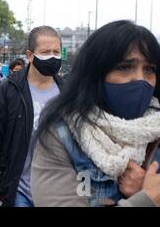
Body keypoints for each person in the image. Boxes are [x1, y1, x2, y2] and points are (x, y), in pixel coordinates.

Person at [31, 20, 160, 207]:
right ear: (96, 75)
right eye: (125, 67)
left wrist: (143, 189)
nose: (140, 79)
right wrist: (146, 200)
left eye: (149, 69)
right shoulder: (62, 135)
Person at [0, 26, 64, 207]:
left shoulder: (68, 92)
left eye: (56, 52)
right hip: (18, 190)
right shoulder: (8, 91)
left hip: (58, 192)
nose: (52, 57)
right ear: (30, 55)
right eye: (46, 52)